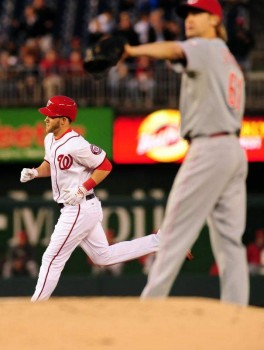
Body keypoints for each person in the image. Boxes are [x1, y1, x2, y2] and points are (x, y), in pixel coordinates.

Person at [124, 0, 249, 305]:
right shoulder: (230, 60)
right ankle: (237, 314)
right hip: (234, 149)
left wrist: (132, 52)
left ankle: (149, 307)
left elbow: (175, 50)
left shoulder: (204, 48)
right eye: (186, 14)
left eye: (197, 13)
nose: (189, 19)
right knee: (230, 241)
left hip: (208, 148)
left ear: (215, 21)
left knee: (174, 230)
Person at [20, 95, 161, 302]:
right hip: (79, 207)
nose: (46, 118)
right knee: (103, 256)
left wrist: (82, 189)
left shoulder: (77, 144)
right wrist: (35, 172)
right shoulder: (50, 139)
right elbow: (50, 164)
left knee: (52, 257)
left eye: (51, 115)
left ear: (64, 119)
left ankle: (34, 306)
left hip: (79, 206)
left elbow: (105, 165)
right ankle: (160, 240)